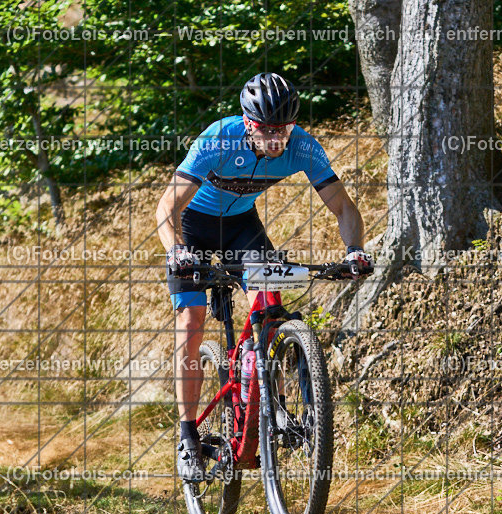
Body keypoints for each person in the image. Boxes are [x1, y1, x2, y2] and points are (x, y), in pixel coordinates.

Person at [155, 72, 372, 482]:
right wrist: (176, 250)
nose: (276, 140)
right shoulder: (218, 139)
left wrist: (354, 250)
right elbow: (167, 207)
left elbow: (343, 207)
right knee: (192, 321)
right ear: (247, 122)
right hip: (193, 228)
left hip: (240, 225)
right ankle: (187, 437)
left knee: (272, 298)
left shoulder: (303, 147)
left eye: (284, 130)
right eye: (266, 130)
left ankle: (277, 407)